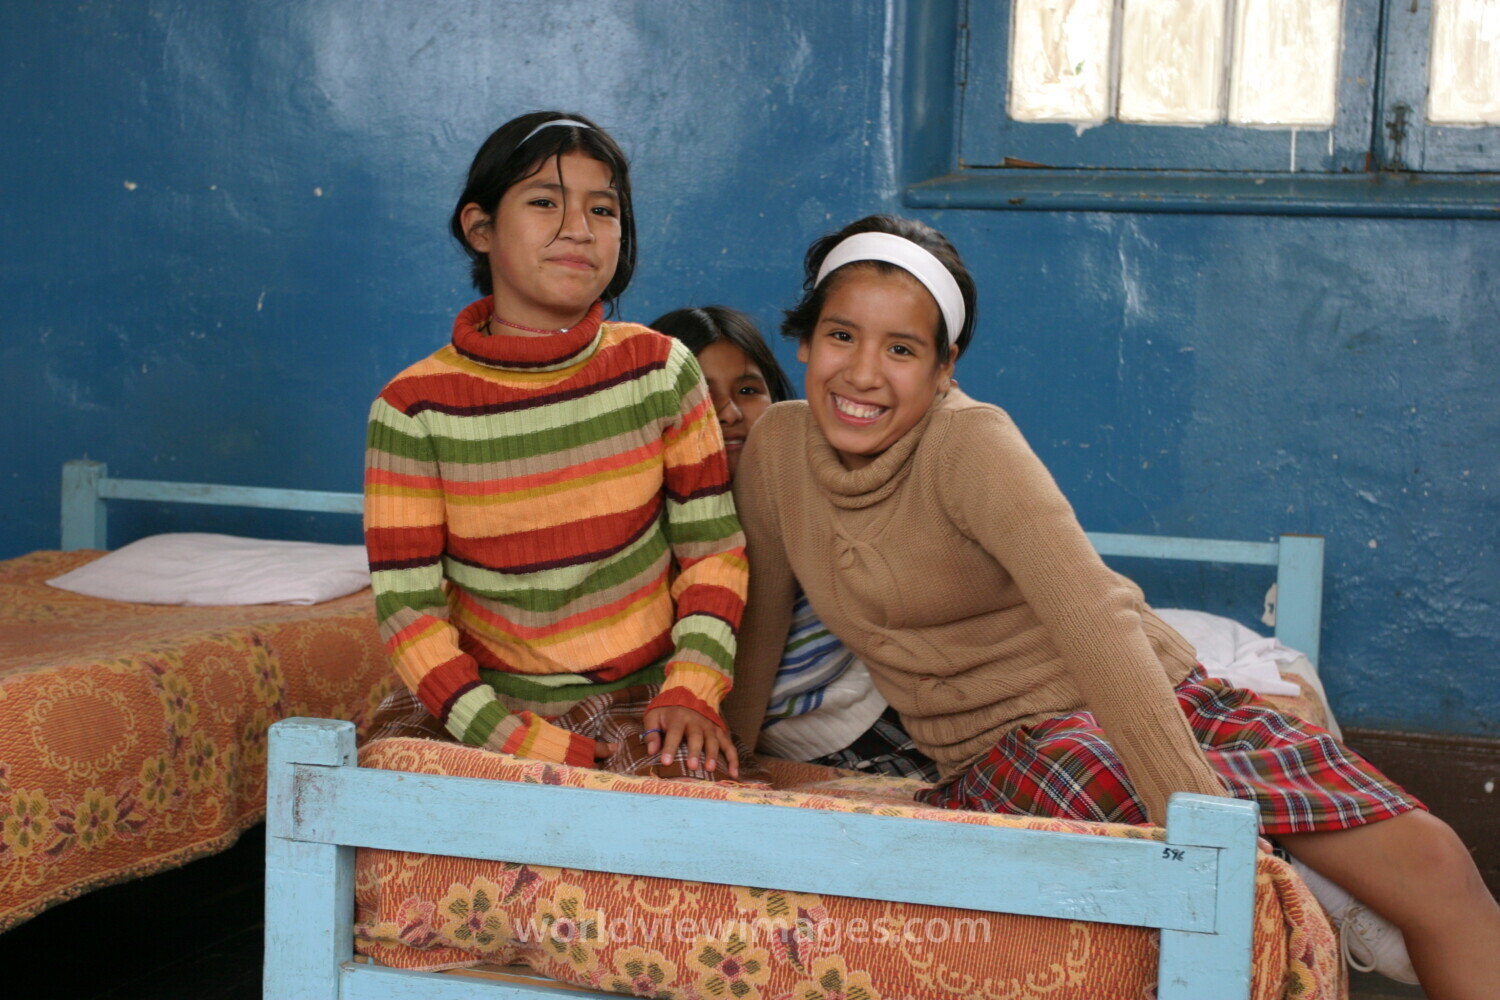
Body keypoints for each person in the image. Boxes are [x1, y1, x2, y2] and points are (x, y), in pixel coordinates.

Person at [725, 213, 1500, 998]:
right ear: (805, 341)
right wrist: (722, 765)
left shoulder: (970, 444)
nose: (862, 373)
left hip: (1155, 693)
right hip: (1017, 749)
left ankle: (1318, 878)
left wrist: (1196, 821)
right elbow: (757, 629)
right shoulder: (777, 451)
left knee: (1438, 861)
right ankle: (1310, 879)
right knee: (1141, 808)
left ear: (944, 368)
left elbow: (1096, 618)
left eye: (901, 349)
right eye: (842, 336)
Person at [363, 112, 746, 778]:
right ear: (480, 228)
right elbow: (410, 612)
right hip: (484, 710)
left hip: (643, 701)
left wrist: (693, 687)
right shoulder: (413, 408)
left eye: (603, 209)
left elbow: (712, 553)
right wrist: (511, 739)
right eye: (545, 202)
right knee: (390, 790)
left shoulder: (660, 369)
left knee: (680, 817)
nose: (579, 229)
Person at [651, 305, 938, 781]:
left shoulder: (817, 486)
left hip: (896, 717)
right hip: (792, 755)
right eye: (698, 394)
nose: (729, 413)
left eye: (748, 391)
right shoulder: (645, 538)